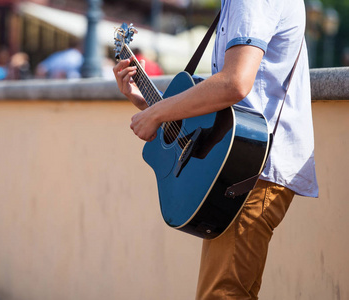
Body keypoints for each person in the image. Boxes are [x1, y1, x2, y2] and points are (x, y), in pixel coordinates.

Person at [113, 0, 318, 299]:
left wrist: (156, 115)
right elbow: (221, 111)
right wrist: (148, 105)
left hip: (252, 171)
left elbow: (234, 83)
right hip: (238, 170)